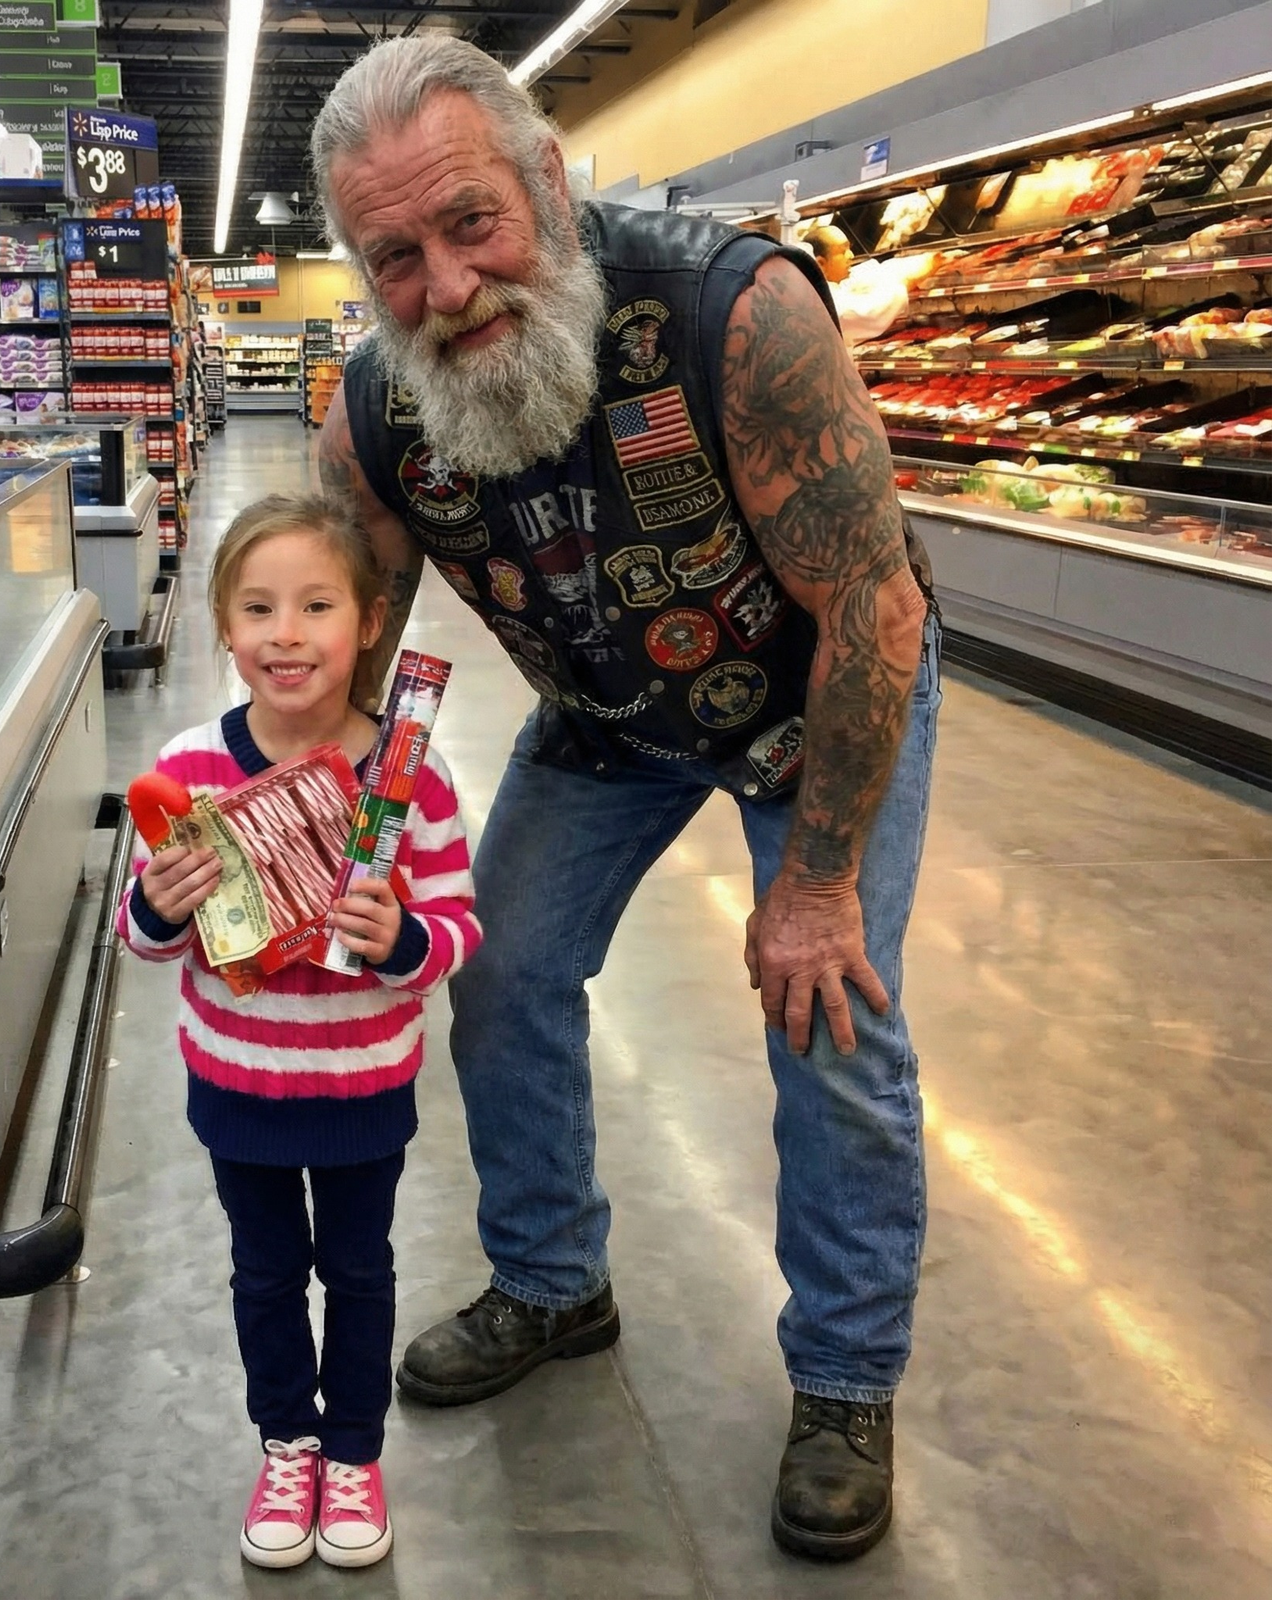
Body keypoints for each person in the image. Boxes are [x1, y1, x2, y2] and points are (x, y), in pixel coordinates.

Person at [312, 36, 940, 1564]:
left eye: (475, 224)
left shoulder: (737, 317)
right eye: (397, 257)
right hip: (603, 715)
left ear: (551, 184)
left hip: (817, 697)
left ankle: (847, 1381)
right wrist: (309, 845)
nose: (449, 288)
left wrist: (816, 886)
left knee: (830, 1012)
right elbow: (348, 661)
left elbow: (870, 603)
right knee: (504, 973)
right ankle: (550, 1279)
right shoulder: (379, 420)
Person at [116, 492, 482, 1571]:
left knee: (360, 1270)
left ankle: (355, 1451)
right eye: (258, 607)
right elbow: (143, 941)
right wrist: (164, 905)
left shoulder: (410, 779)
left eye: (316, 605)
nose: (286, 633)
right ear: (223, 627)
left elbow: (460, 925)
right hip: (237, 1081)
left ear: (369, 622)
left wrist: (403, 937)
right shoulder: (188, 771)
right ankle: (288, 1441)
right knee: (266, 1271)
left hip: (365, 1083)